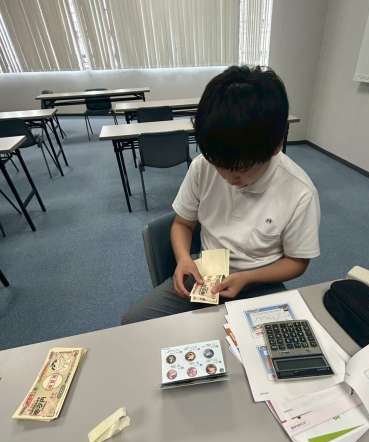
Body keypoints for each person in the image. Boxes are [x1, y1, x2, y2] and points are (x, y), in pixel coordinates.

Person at [122, 65, 320, 324]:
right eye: (218, 165)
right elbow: (182, 224)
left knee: (264, 346)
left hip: (260, 282)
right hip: (207, 274)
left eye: (239, 170)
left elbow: (297, 261)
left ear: (276, 146)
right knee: (135, 322)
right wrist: (183, 259)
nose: (226, 176)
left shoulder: (299, 192)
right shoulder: (203, 166)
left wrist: (247, 278)